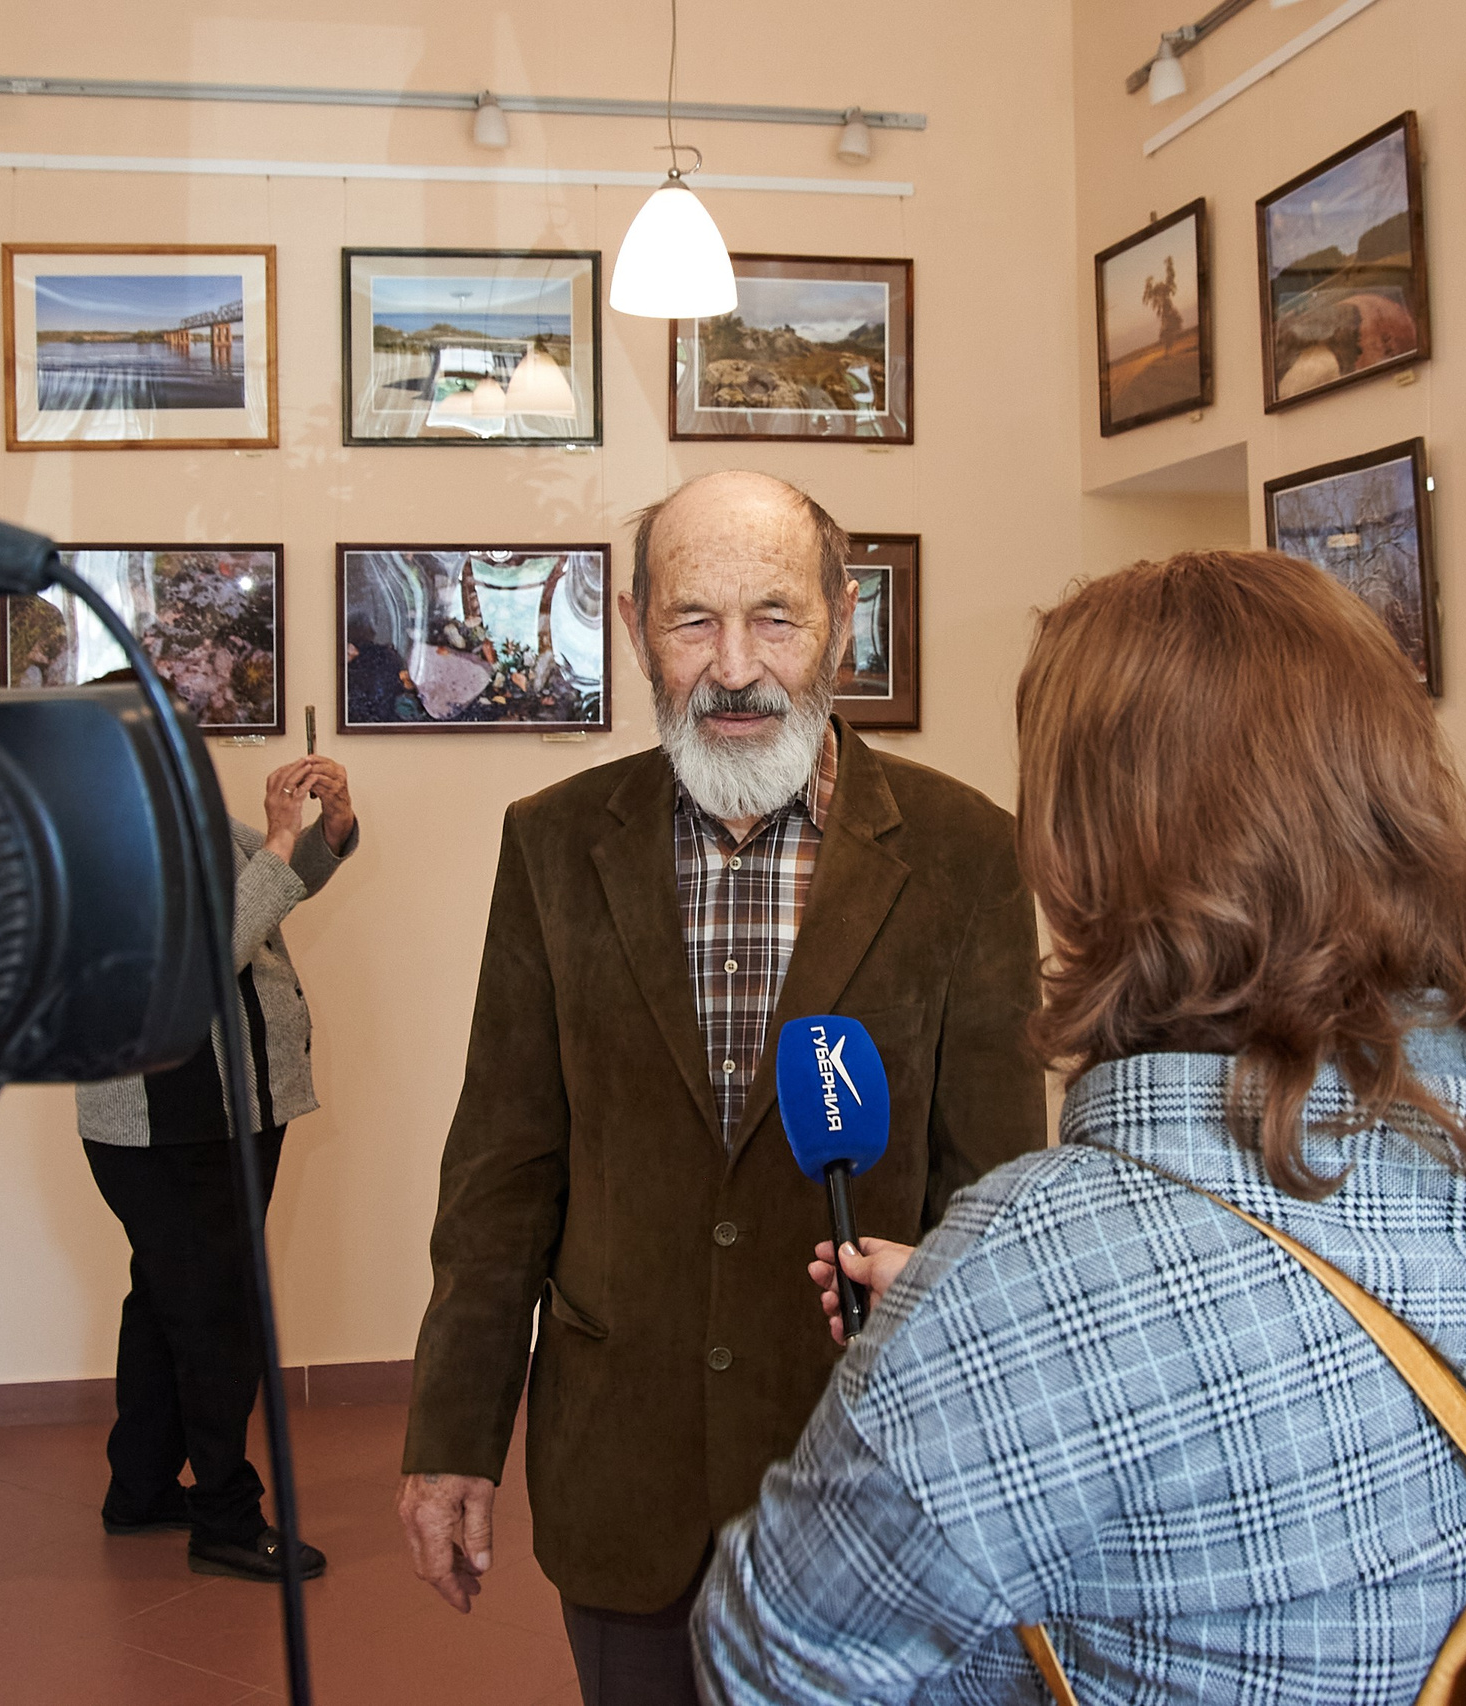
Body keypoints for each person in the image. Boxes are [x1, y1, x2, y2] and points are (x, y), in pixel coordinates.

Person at [691, 551, 1466, 1705]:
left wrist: (992, 1330)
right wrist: (976, 1347)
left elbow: (766, 1656)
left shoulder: (1046, 1266)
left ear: (1093, 852)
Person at [398, 470, 1046, 1706]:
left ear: (841, 622)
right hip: (621, 1472)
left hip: (870, 1479)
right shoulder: (551, 842)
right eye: (693, 620)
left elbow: (995, 1191)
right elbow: (501, 1168)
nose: (735, 666)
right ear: (635, 625)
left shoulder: (970, 853)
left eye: (776, 618)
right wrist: (450, 1441)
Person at [79, 667, 360, 1584]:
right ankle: (227, 1519)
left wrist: (327, 826)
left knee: (166, 1304)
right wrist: (280, 843)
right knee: (215, 1318)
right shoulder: (101, 843)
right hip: (171, 1122)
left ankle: (142, 1490)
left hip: (228, 1111)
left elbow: (283, 882)